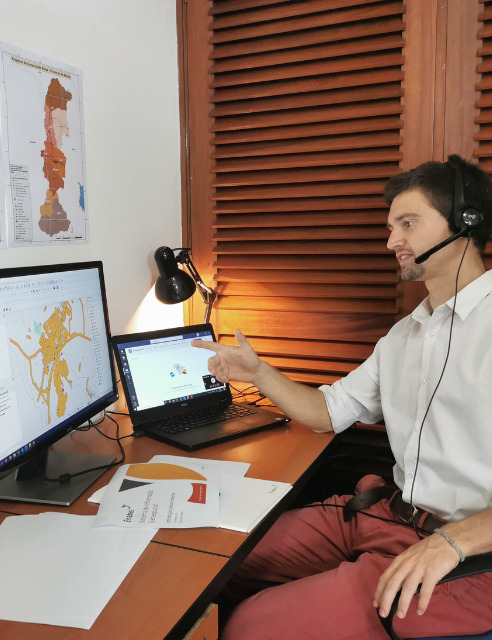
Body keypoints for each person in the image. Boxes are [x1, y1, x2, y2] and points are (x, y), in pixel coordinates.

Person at [192, 154, 492, 639]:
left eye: (408, 223)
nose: (392, 241)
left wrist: (452, 543)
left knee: (249, 626)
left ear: (466, 222)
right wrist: (258, 373)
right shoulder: (404, 336)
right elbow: (328, 412)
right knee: (220, 558)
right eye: (391, 227)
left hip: (470, 554)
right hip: (387, 515)